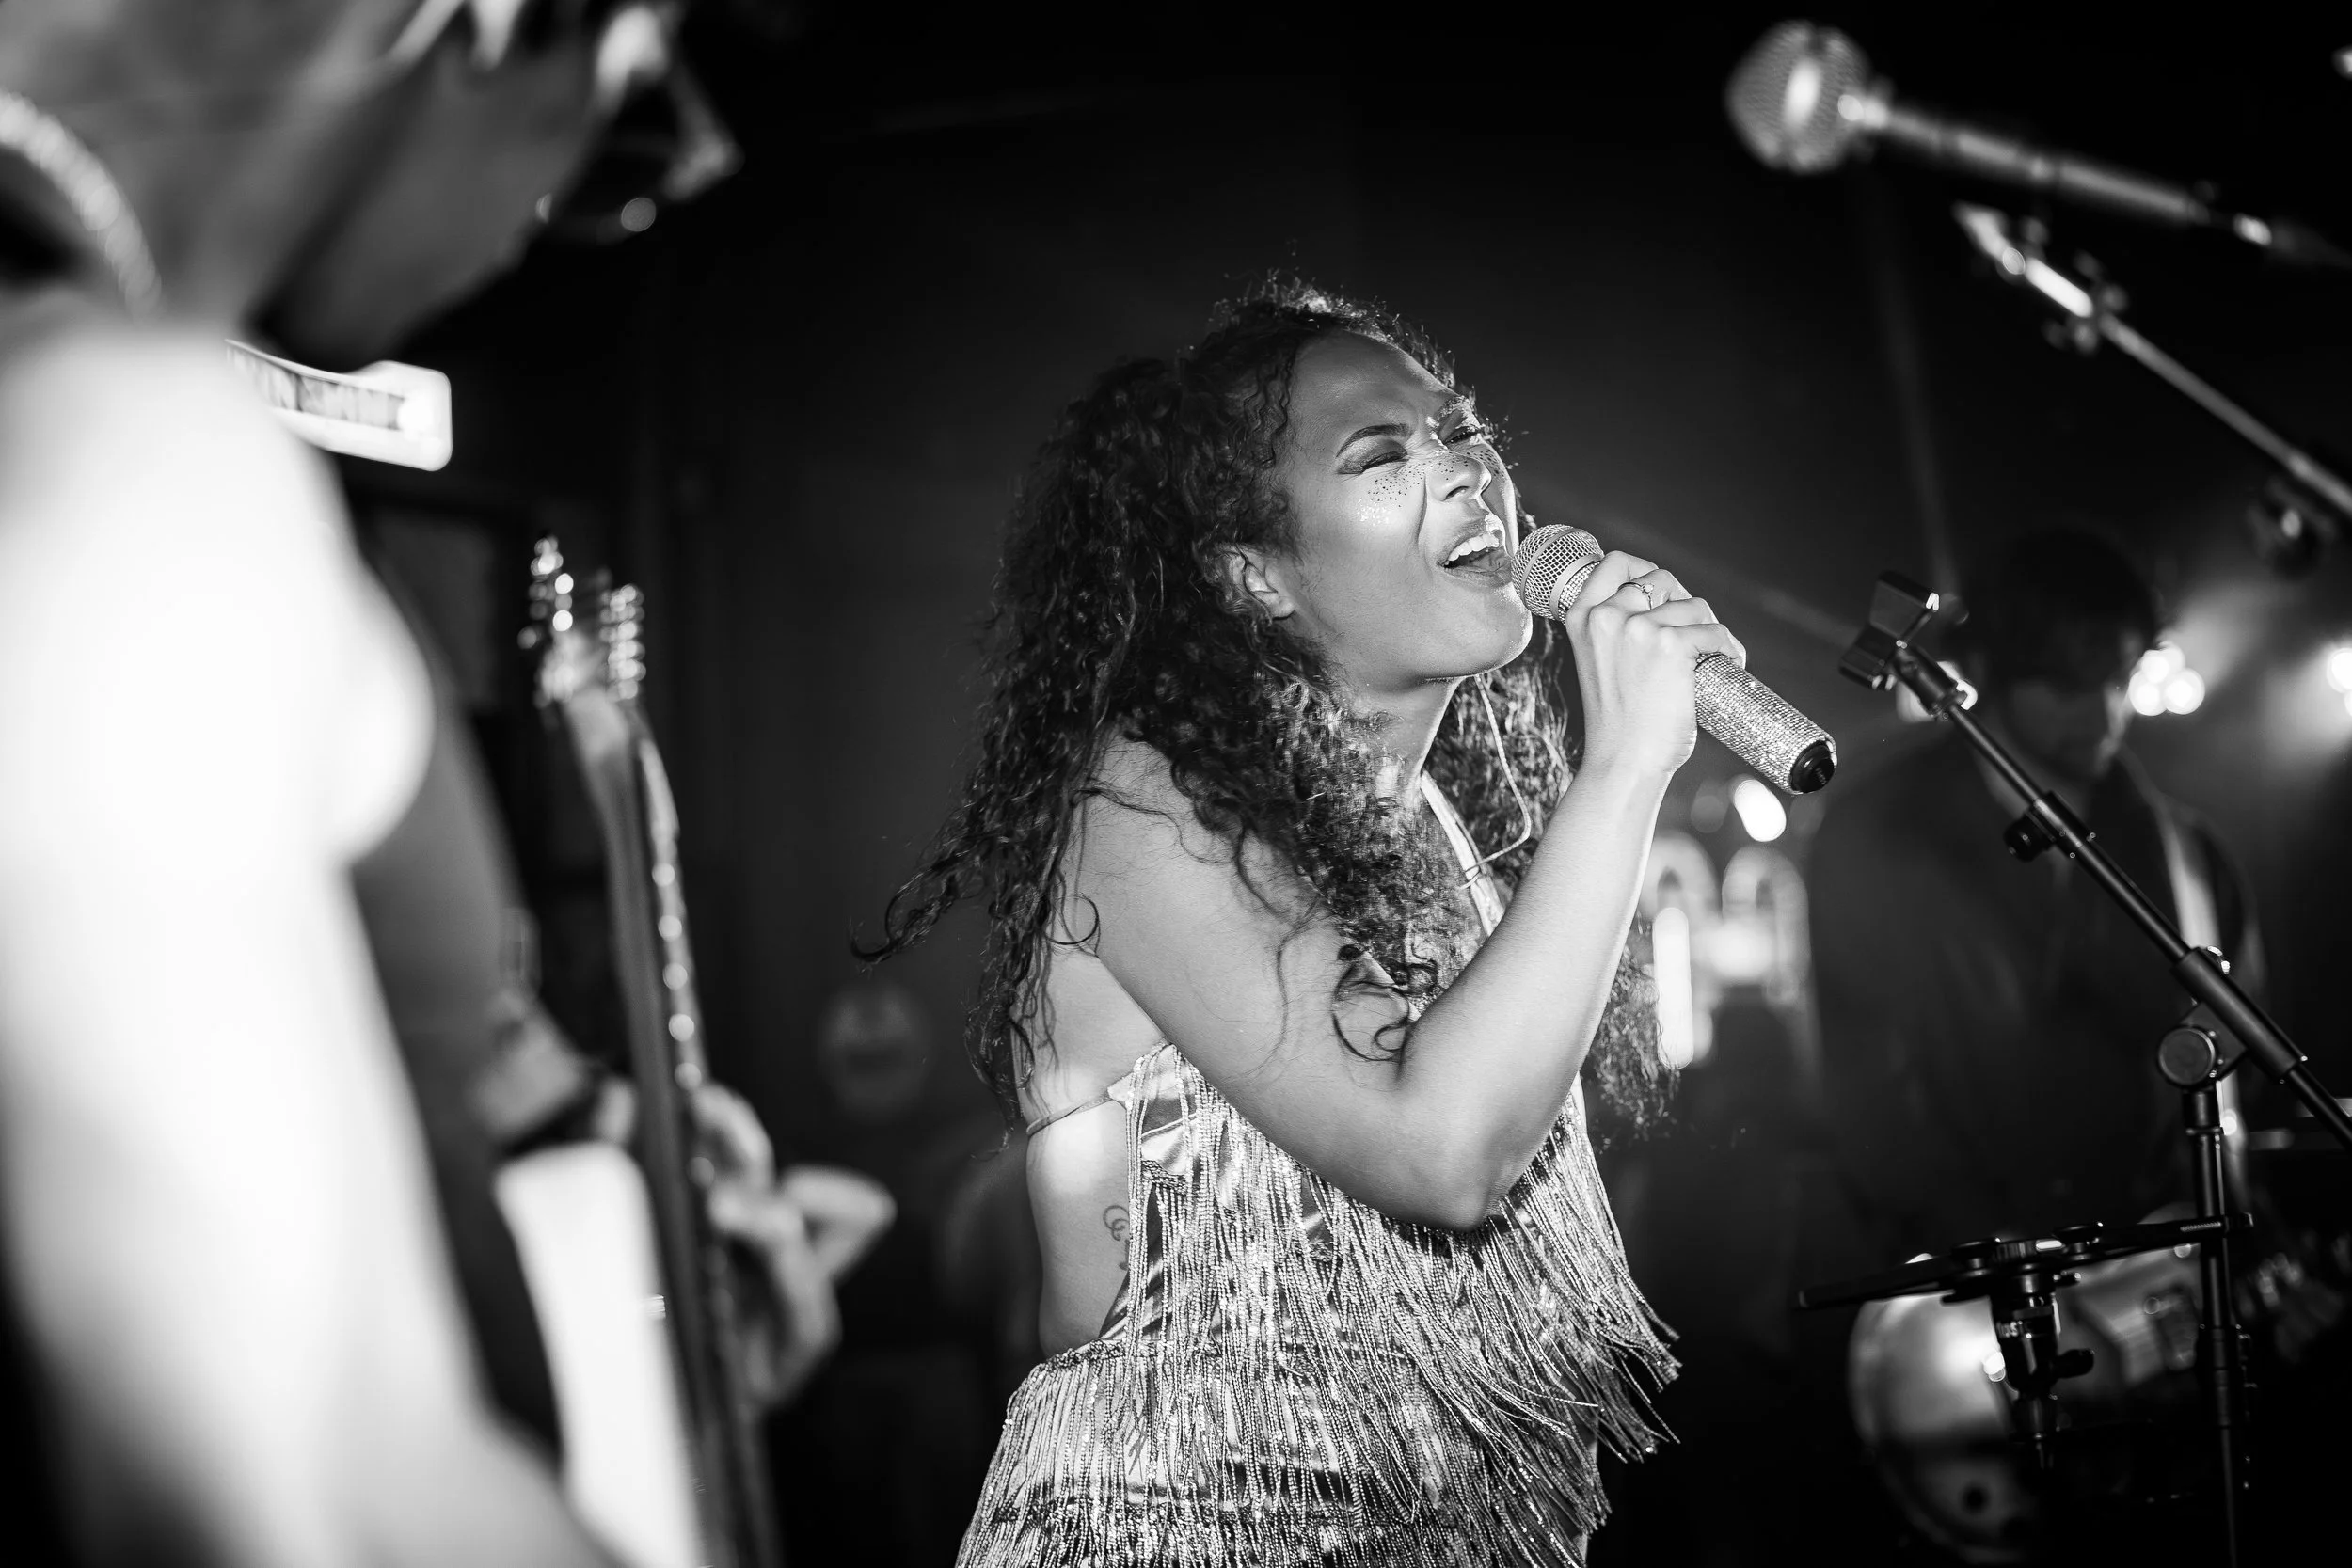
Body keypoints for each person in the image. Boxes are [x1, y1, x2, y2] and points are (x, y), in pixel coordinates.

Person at [0, 5, 866, 1564]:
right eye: (628, 137)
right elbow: (301, 1484)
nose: (578, 216)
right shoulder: (119, 442)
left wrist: (606, 1165)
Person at [874, 283, 1719, 1565]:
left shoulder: (1438, 834)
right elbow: (1441, 1149)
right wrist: (1628, 769)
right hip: (1179, 1531)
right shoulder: (1144, 804)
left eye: (1463, 428)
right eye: (1385, 453)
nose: (1469, 468)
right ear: (1253, 577)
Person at [1808, 529, 2264, 1260]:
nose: (2102, 711)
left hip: (2162, 1284)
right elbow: (1869, 1097)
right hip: (1974, 1295)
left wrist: (2245, 1246)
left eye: (2117, 677)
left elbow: (2240, 1082)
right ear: (1989, 667)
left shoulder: (2190, 854)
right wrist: (2010, 1261)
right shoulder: (1876, 830)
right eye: (2064, 684)